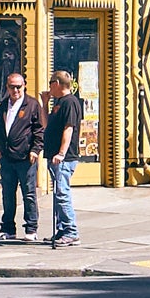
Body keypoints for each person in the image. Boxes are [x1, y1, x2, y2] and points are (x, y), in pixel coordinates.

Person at [0, 72, 44, 242]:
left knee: (28, 194)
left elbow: (39, 130)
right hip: (7, 158)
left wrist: (35, 150)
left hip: (25, 159)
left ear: (24, 86)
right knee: (7, 194)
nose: (15, 90)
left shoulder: (32, 105)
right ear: (7, 87)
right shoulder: (3, 106)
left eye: (18, 86)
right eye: (12, 87)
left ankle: (31, 229)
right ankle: (7, 229)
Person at [43, 70, 84, 248]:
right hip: (54, 156)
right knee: (58, 193)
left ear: (57, 84)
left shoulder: (70, 102)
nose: (49, 86)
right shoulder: (58, 102)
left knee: (62, 193)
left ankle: (71, 231)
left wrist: (61, 153)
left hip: (64, 158)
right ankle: (61, 229)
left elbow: (69, 129)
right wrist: (44, 104)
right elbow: (47, 125)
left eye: (51, 82)